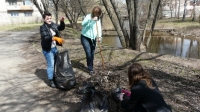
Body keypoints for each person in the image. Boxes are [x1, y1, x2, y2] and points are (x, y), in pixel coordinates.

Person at [40, 12, 65, 88]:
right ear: (44, 19)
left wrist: (62, 22)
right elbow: (45, 37)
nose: (49, 20)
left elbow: (61, 28)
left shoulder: (53, 24)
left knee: (56, 64)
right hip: (47, 49)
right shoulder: (42, 27)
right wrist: (55, 38)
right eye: (47, 19)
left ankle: (54, 77)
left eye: (50, 18)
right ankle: (51, 80)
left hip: (54, 48)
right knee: (51, 65)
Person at [81, 6, 102, 75]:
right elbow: (83, 24)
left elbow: (99, 28)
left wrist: (99, 37)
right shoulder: (88, 16)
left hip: (93, 38)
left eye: (98, 14)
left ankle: (91, 66)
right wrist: (91, 20)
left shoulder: (98, 19)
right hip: (85, 37)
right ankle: (90, 69)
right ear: (93, 12)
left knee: (92, 53)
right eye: (96, 14)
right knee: (88, 52)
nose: (97, 15)